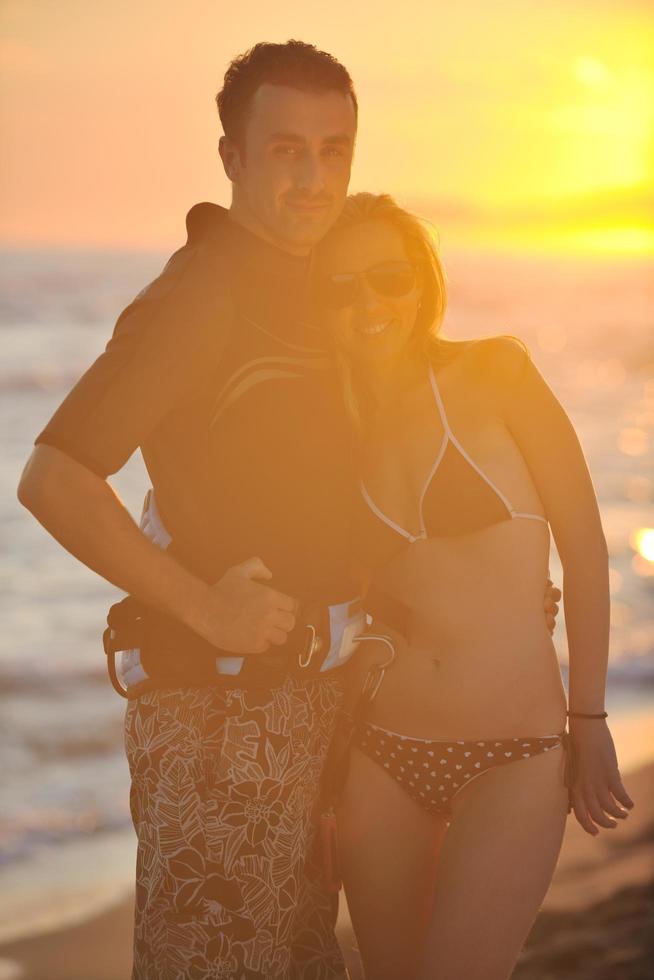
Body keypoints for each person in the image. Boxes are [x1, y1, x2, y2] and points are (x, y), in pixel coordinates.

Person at [17, 40, 560, 979]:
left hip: (318, 710)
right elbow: (53, 477)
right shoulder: (199, 295)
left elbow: (361, 483)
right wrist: (203, 604)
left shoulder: (323, 292)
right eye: (285, 151)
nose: (314, 178)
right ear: (231, 157)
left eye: (334, 150)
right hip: (216, 717)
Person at [312, 192, 634, 980]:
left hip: (515, 752)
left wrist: (586, 716)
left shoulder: (495, 371)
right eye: (342, 287)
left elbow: (585, 548)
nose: (370, 303)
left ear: (421, 282)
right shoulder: (329, 429)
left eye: (388, 277)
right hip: (380, 752)